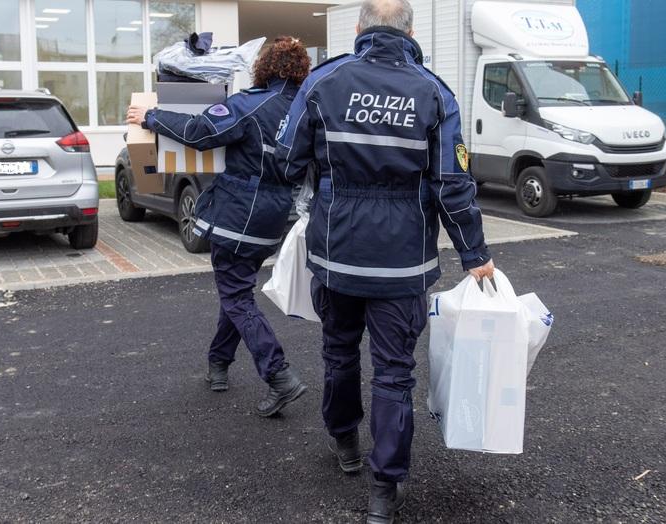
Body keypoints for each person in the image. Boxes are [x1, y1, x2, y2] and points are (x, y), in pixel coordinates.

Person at [275, 1, 495, 522]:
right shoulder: (434, 92)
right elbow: (453, 184)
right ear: (411, 31)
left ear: (358, 29)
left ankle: (345, 441)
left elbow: (286, 160)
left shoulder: (323, 82)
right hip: (402, 264)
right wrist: (475, 254)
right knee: (395, 373)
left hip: (337, 254)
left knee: (339, 351)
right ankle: (384, 489)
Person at [125, 37, 312, 418]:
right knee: (237, 289)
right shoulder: (306, 109)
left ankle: (278, 375)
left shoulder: (250, 104)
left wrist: (150, 117)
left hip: (236, 216)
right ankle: (218, 364)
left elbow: (199, 130)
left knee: (236, 297)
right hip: (274, 218)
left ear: (264, 67)